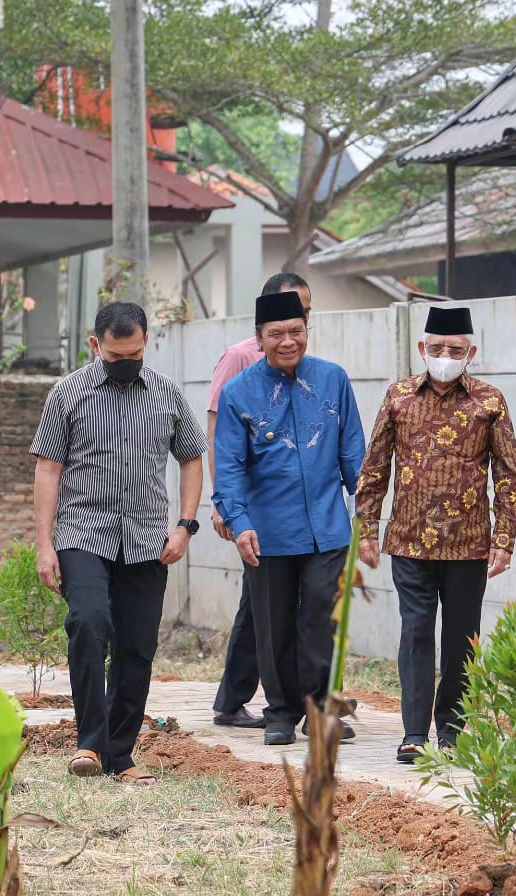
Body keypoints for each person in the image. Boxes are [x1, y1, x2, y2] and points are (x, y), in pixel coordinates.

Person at [31, 302, 206, 785]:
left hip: (150, 539)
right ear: (96, 346)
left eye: (134, 353)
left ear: (146, 343)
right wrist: (45, 545)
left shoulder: (167, 394)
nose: (126, 361)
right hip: (83, 531)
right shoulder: (67, 394)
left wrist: (185, 525)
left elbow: (192, 458)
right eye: (115, 355)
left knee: (137, 646)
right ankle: (90, 742)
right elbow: (48, 469)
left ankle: (120, 755)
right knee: (89, 623)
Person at [355, 306, 516, 764]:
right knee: (415, 632)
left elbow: (508, 474)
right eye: (436, 348)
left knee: (461, 637)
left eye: (454, 349)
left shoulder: (489, 401)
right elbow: (375, 467)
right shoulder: (398, 397)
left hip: (469, 544)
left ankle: (452, 732)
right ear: (421, 349)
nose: (444, 356)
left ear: (471, 352)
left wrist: (504, 538)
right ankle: (413, 733)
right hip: (409, 541)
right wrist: (367, 529)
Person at [212, 290, 366, 746]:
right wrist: (238, 523)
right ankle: (280, 711)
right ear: (259, 339)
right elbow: (230, 465)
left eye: (295, 331)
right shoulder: (239, 393)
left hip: (328, 527)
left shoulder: (334, 379)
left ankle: (320, 708)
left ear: (306, 331)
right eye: (276, 334)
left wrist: (368, 507)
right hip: (267, 532)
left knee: (321, 619)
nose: (287, 341)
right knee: (272, 623)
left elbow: (353, 450)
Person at [208, 273, 314, 729]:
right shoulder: (239, 359)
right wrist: (222, 502)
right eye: (292, 311)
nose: (299, 321)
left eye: (305, 314)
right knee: (263, 607)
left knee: (264, 608)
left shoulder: (307, 361)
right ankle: (268, 704)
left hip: (297, 511)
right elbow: (217, 431)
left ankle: (234, 700)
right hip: (253, 506)